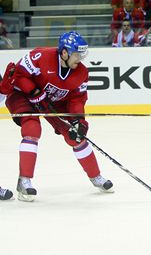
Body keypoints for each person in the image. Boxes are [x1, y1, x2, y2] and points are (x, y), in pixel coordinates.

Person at [0, 31, 114, 202]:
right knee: (32, 128)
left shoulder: (82, 73)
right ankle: (24, 181)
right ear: (65, 52)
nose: (80, 58)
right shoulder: (41, 56)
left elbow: (77, 99)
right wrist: (33, 91)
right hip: (23, 95)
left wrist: (78, 120)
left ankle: (96, 177)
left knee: (75, 136)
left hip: (50, 102)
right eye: (77, 54)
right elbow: (19, 74)